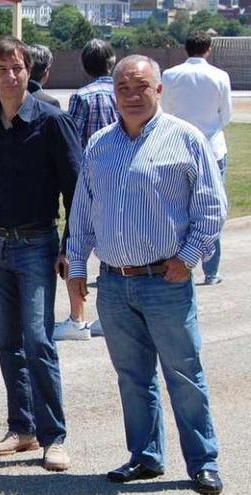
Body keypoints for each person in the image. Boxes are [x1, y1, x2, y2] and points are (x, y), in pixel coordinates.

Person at [67, 55, 226, 495]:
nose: (132, 96)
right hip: (114, 283)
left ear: (158, 90)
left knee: (183, 374)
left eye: (141, 87)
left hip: (166, 282)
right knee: (133, 377)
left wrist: (188, 257)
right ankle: (145, 457)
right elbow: (82, 211)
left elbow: (212, 208)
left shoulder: (186, 139)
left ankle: (203, 462)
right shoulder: (100, 144)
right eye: (123, 88)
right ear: (113, 93)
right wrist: (77, 267)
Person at [0, 36, 81, 471]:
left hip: (37, 244)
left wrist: (72, 246)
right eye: (2, 68)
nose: (11, 75)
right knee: (6, 341)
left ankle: (55, 436)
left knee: (38, 340)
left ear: (28, 71)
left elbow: (77, 190)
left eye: (18, 67)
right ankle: (23, 428)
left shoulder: (52, 121)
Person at [55, 38, 119, 341]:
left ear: (84, 65)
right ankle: (109, 316)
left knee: (75, 246)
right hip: (119, 179)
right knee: (113, 248)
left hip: (89, 178)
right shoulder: (121, 92)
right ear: (112, 62)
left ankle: (77, 317)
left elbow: (72, 139)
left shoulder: (82, 97)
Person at [162, 31, 233, 286]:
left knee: (177, 206)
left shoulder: (169, 75)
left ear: (185, 49)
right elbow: (226, 114)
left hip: (177, 147)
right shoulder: (220, 76)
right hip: (212, 147)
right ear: (208, 49)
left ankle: (176, 265)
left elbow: (165, 111)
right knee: (211, 207)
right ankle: (211, 270)